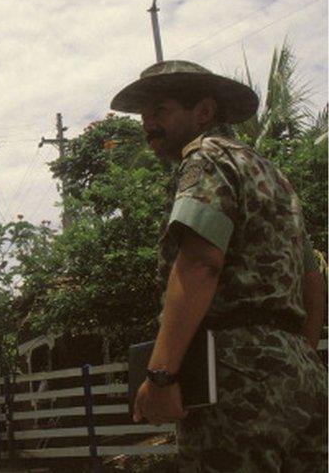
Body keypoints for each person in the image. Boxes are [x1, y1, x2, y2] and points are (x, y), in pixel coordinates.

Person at [112, 60, 327, 471]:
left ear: (204, 112)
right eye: (144, 114)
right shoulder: (276, 178)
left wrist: (161, 376)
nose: (147, 124)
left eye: (161, 110)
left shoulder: (206, 159)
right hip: (301, 376)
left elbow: (199, 267)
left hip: (232, 377)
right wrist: (298, 360)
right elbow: (313, 283)